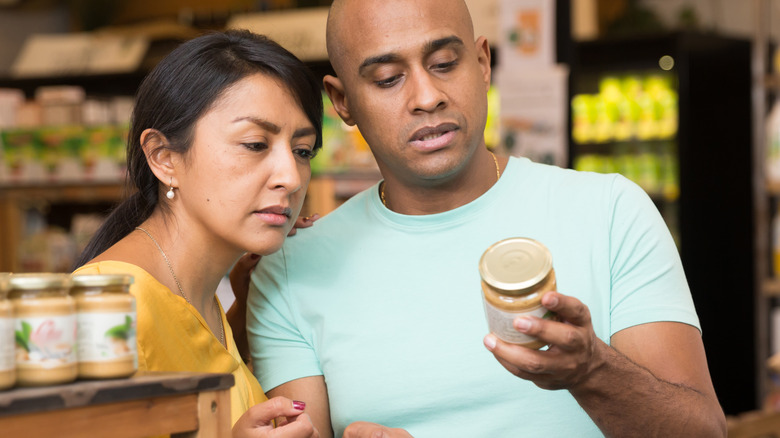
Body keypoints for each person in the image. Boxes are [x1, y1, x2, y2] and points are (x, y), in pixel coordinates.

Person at [244, 0, 728, 437]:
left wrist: (593, 370)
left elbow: (704, 432)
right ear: (342, 100)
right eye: (388, 78)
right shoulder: (292, 270)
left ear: (482, 63)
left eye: (445, 64)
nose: (426, 96)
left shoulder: (611, 211)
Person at [73, 29, 323, 437]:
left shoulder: (207, 301)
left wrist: (247, 312)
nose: (291, 177)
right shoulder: (104, 310)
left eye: (303, 150)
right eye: (256, 144)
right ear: (164, 157)